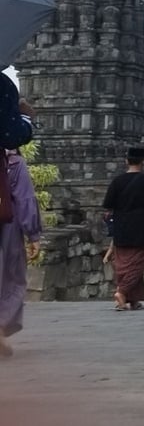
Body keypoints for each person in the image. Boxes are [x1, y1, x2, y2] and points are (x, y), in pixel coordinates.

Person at [102, 147, 144, 311]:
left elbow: (108, 207)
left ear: (126, 161)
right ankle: (122, 292)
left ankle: (132, 299)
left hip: (121, 227)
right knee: (138, 262)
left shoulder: (117, 182)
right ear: (143, 162)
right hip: (141, 227)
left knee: (123, 262)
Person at [0, 148, 39, 358]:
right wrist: (33, 235)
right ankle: (1, 325)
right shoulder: (13, 162)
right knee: (11, 276)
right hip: (8, 225)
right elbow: (24, 199)